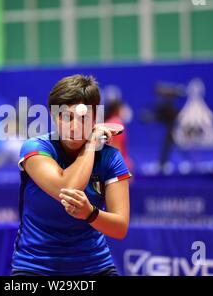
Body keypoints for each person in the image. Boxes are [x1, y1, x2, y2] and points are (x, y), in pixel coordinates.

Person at [11, 75, 132, 276]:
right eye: (66, 116)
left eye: (83, 118)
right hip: (36, 267)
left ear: (94, 118)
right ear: (52, 115)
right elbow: (67, 189)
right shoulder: (36, 148)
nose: (74, 127)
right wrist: (91, 144)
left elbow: (120, 228)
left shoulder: (110, 158)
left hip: (95, 267)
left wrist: (90, 213)